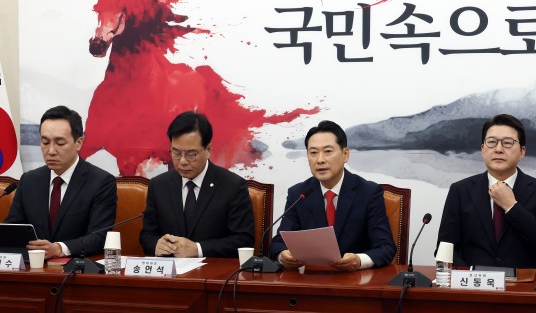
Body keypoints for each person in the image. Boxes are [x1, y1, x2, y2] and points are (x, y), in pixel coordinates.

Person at [436, 114, 536, 268]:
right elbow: (445, 247)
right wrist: (468, 275)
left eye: (507, 143)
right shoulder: (460, 191)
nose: (498, 149)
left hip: (523, 281)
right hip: (473, 280)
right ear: (482, 150)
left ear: (522, 152)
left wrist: (511, 206)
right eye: (491, 142)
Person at [269, 120, 396, 271]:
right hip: (312, 278)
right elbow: (278, 243)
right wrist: (283, 256)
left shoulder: (368, 192)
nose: (320, 160)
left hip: (356, 279)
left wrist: (359, 261)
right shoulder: (298, 194)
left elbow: (386, 247)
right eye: (313, 153)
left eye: (328, 151)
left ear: (345, 154)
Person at [4, 105, 117, 259]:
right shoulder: (29, 180)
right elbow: (12, 230)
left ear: (79, 143)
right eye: (45, 142)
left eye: (60, 143)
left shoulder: (101, 182)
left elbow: (99, 237)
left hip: (76, 268)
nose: (51, 151)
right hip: (33, 266)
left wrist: (59, 248)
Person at [139, 111, 254, 257]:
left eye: (191, 154)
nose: (182, 161)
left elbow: (243, 241)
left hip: (213, 269)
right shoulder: (159, 185)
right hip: (170, 269)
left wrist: (198, 249)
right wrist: (157, 245)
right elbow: (147, 235)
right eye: (176, 152)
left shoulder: (233, 186)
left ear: (208, 150)